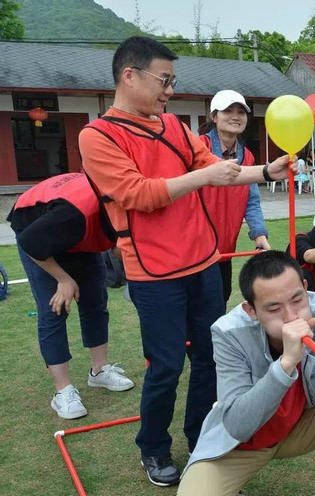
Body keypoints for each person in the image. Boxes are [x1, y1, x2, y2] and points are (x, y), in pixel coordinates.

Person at [78, 36, 292, 486]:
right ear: (129, 75)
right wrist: (203, 175)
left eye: (173, 82)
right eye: (164, 80)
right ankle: (153, 447)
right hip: (153, 273)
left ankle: (201, 438)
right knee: (167, 364)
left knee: (212, 359)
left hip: (203, 263)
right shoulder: (97, 135)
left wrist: (264, 172)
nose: (169, 91)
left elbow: (218, 167)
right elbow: (138, 193)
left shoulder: (174, 126)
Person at [177, 251, 315, 496]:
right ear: (251, 310)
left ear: (305, 287)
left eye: (298, 299)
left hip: (299, 428)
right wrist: (286, 362)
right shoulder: (228, 333)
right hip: (241, 444)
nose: (291, 316)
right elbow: (236, 423)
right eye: (274, 308)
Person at [8, 173, 134, 420]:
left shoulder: (125, 204)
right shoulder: (74, 215)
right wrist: (63, 279)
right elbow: (31, 242)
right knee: (55, 308)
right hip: (36, 235)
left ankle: (99, 371)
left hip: (79, 234)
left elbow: (124, 246)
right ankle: (62, 391)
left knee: (95, 302)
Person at [198, 89, 270, 304]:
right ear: (214, 116)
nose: (235, 116)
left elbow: (251, 200)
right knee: (201, 306)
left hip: (226, 249)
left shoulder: (246, 155)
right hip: (197, 250)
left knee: (222, 297)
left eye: (241, 111)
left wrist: (260, 235)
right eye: (228, 110)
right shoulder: (199, 147)